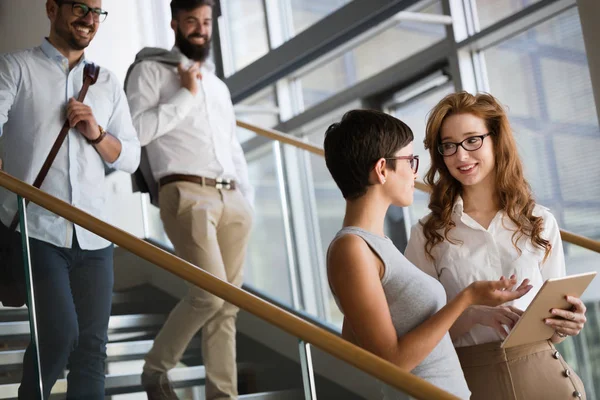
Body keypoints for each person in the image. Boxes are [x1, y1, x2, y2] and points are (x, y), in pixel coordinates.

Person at [323, 109, 532, 399]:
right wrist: (466, 299)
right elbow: (391, 363)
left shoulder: (376, 245)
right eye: (409, 161)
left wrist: (475, 314)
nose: (414, 172)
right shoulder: (352, 249)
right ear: (382, 169)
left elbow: (357, 339)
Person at [405, 91, 588, 399]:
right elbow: (418, 334)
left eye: (472, 140)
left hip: (547, 376)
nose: (461, 156)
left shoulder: (540, 221)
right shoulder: (428, 234)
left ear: (495, 140)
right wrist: (473, 315)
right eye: (448, 146)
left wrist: (569, 322)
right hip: (472, 381)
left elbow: (553, 331)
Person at [0, 0, 141, 398]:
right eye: (80, 7)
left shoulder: (108, 83)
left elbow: (131, 156)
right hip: (38, 230)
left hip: (96, 238)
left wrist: (97, 133)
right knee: (60, 334)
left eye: (97, 11)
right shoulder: (16, 68)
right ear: (52, 8)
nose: (90, 18)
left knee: (92, 351)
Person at [125, 1, 254, 399]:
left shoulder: (218, 86)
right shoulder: (150, 70)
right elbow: (133, 134)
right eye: (191, 22)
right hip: (184, 192)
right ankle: (155, 369)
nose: (200, 29)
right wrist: (183, 96)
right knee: (209, 295)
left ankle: (222, 395)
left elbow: (232, 148)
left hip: (231, 197)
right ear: (174, 24)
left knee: (228, 306)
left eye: (206, 22)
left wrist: (246, 201)